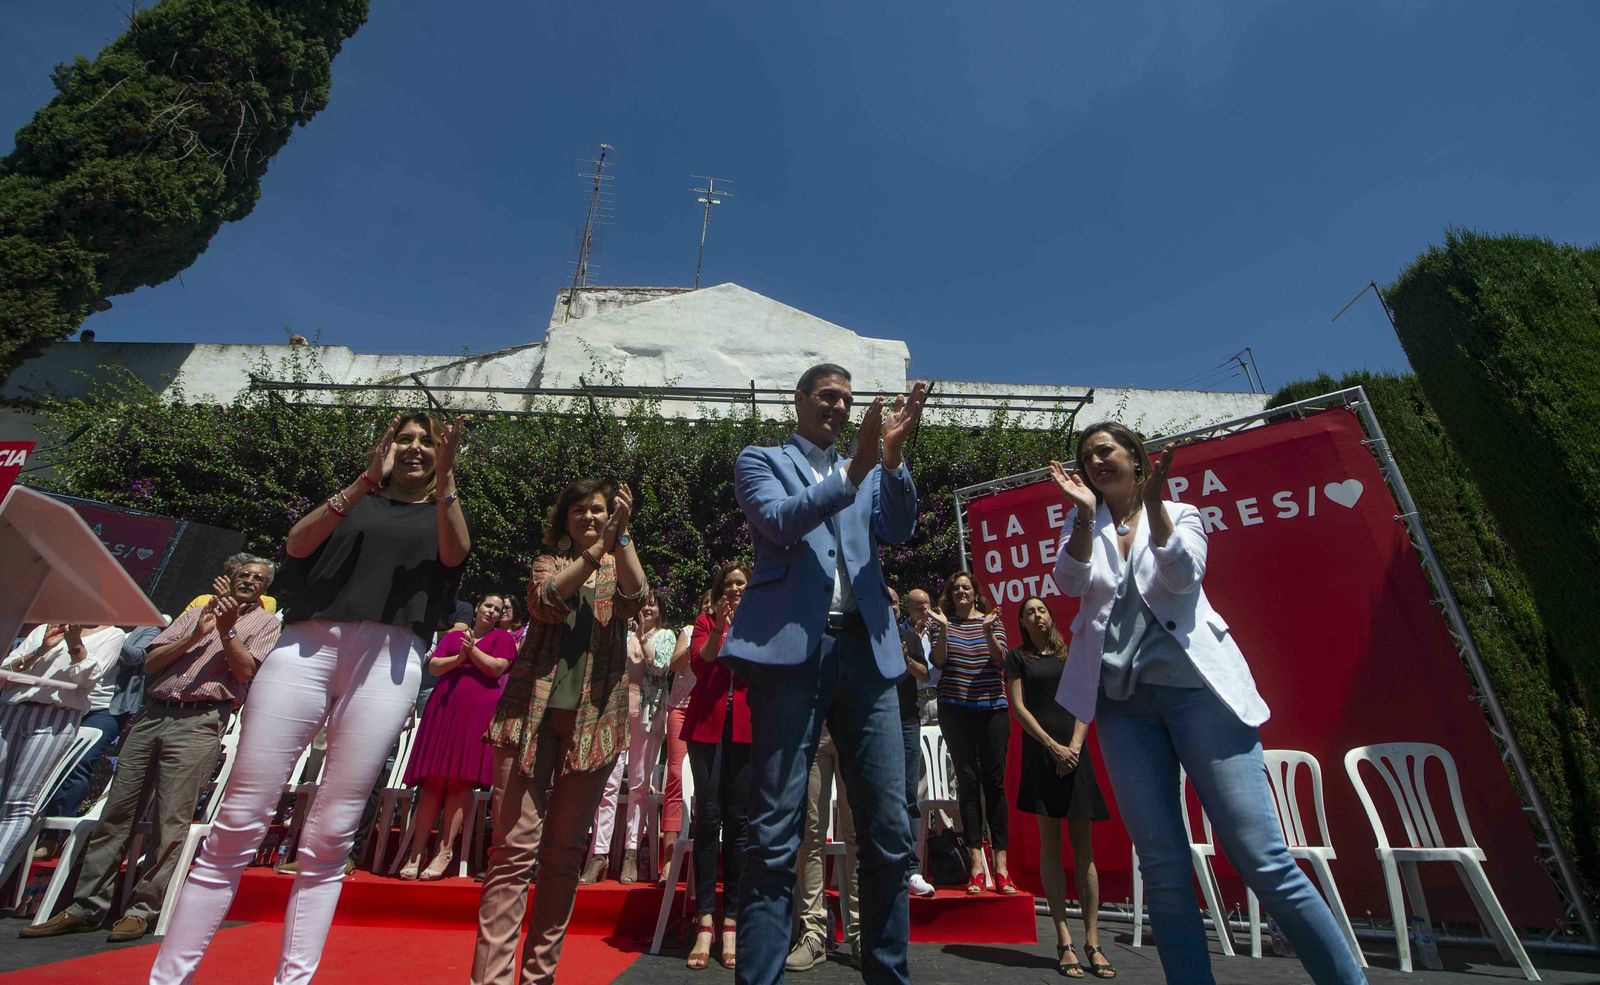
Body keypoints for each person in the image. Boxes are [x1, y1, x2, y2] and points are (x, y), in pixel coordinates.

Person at [148, 411, 470, 984]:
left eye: (427, 442)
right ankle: (169, 977)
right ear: (385, 446)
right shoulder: (355, 499)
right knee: (239, 816)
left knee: (333, 830)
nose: (416, 448)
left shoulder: (443, 509)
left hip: (390, 658)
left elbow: (455, 554)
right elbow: (297, 544)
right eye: (405, 439)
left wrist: (446, 478)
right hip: (306, 647)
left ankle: (293, 980)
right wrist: (366, 479)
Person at [1049, 422, 1366, 985]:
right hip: (1123, 709)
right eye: (1086, 456)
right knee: (1163, 867)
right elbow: (1069, 584)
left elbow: (1183, 576)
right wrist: (1080, 516)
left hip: (1200, 697)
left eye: (1105, 450)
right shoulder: (1086, 526)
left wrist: (1154, 508)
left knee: (1261, 856)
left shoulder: (1182, 513)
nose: (1095, 461)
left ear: (1136, 458)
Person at [724, 363, 927, 984]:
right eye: (827, 396)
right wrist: (857, 470)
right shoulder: (761, 460)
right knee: (775, 832)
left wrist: (891, 460)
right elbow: (780, 521)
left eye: (846, 399)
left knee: (889, 832)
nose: (838, 407)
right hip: (792, 655)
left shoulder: (869, 467)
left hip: (868, 653)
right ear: (800, 399)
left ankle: (888, 974)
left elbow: (899, 528)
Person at [21, 561, 279, 943]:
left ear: (265, 589)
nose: (249, 580)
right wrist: (196, 634)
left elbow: (244, 672)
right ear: (231, 578)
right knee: (116, 813)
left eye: (258, 578)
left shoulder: (267, 624)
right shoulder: (196, 611)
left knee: (170, 820)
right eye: (244, 574)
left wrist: (227, 631)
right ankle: (86, 907)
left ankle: (141, 910)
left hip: (200, 720)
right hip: (152, 714)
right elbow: (152, 663)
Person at [472, 478, 646, 985]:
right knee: (512, 853)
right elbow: (546, 601)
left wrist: (622, 537)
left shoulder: (616, 563)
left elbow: (636, 598)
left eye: (599, 510)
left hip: (594, 723)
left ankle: (538, 977)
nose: (590, 517)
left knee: (565, 855)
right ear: (565, 519)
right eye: (580, 510)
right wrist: (597, 547)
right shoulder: (548, 563)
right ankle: (490, 980)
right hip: (529, 716)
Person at [1006, 596, 1112, 978]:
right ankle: (1064, 939)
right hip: (1042, 754)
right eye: (1029, 612)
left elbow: (1085, 700)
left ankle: (1093, 941)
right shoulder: (1017, 658)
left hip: (1075, 755)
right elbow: (1019, 708)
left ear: (1050, 617)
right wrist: (1052, 747)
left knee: (1084, 848)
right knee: (1051, 845)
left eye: (1041, 610)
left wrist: (1074, 747)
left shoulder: (1070, 655)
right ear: (1022, 621)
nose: (1037, 615)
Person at [396, 594, 516, 880]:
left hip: (477, 714)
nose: (492, 612)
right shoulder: (455, 637)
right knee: (433, 781)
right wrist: (460, 657)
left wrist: (471, 652)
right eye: (488, 606)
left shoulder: (502, 639)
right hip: (444, 710)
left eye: (498, 609)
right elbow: (434, 666)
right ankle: (417, 850)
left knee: (461, 781)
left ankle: (445, 850)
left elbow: (496, 668)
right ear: (478, 608)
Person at [1, 622, 126, 877]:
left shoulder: (112, 634)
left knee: (19, 802)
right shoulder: (45, 627)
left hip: (56, 717)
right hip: (12, 709)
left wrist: (74, 643)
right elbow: (7, 669)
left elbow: (88, 678)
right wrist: (40, 650)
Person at [680, 561, 753, 970]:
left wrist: (743, 627)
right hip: (706, 728)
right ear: (719, 589)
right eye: (729, 584)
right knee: (708, 819)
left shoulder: (759, 621)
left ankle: (732, 921)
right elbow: (701, 664)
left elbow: (759, 667)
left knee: (738, 823)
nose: (735, 589)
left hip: (746, 729)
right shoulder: (705, 621)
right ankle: (705, 920)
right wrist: (721, 627)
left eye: (741, 583)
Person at [928, 570, 1013, 894]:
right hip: (955, 708)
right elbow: (938, 661)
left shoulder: (991, 620)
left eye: (967, 587)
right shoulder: (942, 623)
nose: (962, 592)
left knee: (994, 782)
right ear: (951, 595)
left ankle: (1001, 866)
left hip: (992, 708)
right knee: (967, 781)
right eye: (956, 588)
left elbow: (1000, 659)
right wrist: (944, 630)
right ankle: (976, 864)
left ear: (975, 593)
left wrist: (989, 631)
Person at [580, 593, 675, 885]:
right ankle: (599, 854)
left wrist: (642, 637)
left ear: (660, 610)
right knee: (607, 785)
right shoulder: (622, 634)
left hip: (647, 715)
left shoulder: (666, 636)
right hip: (617, 713)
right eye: (644, 603)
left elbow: (659, 667)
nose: (647, 608)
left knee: (638, 785)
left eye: (653, 603)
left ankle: (631, 852)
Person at [889, 588, 936, 901]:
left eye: (894, 602)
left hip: (906, 721)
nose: (890, 606)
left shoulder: (909, 636)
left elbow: (925, 674)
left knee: (908, 794)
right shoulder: (866, 635)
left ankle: (910, 870)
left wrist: (905, 657)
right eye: (887, 601)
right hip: (873, 721)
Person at [659, 594, 706, 883]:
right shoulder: (688, 631)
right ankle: (669, 859)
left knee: (705, 781)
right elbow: (674, 665)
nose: (708, 607)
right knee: (675, 776)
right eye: (705, 604)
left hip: (708, 712)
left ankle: (700, 862)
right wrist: (696, 641)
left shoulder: (726, 634)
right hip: (680, 709)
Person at [902, 589, 939, 725]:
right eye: (919, 609)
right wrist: (915, 643)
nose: (924, 612)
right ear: (908, 608)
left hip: (939, 696)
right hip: (915, 698)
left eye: (927, 608)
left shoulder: (939, 629)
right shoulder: (902, 634)